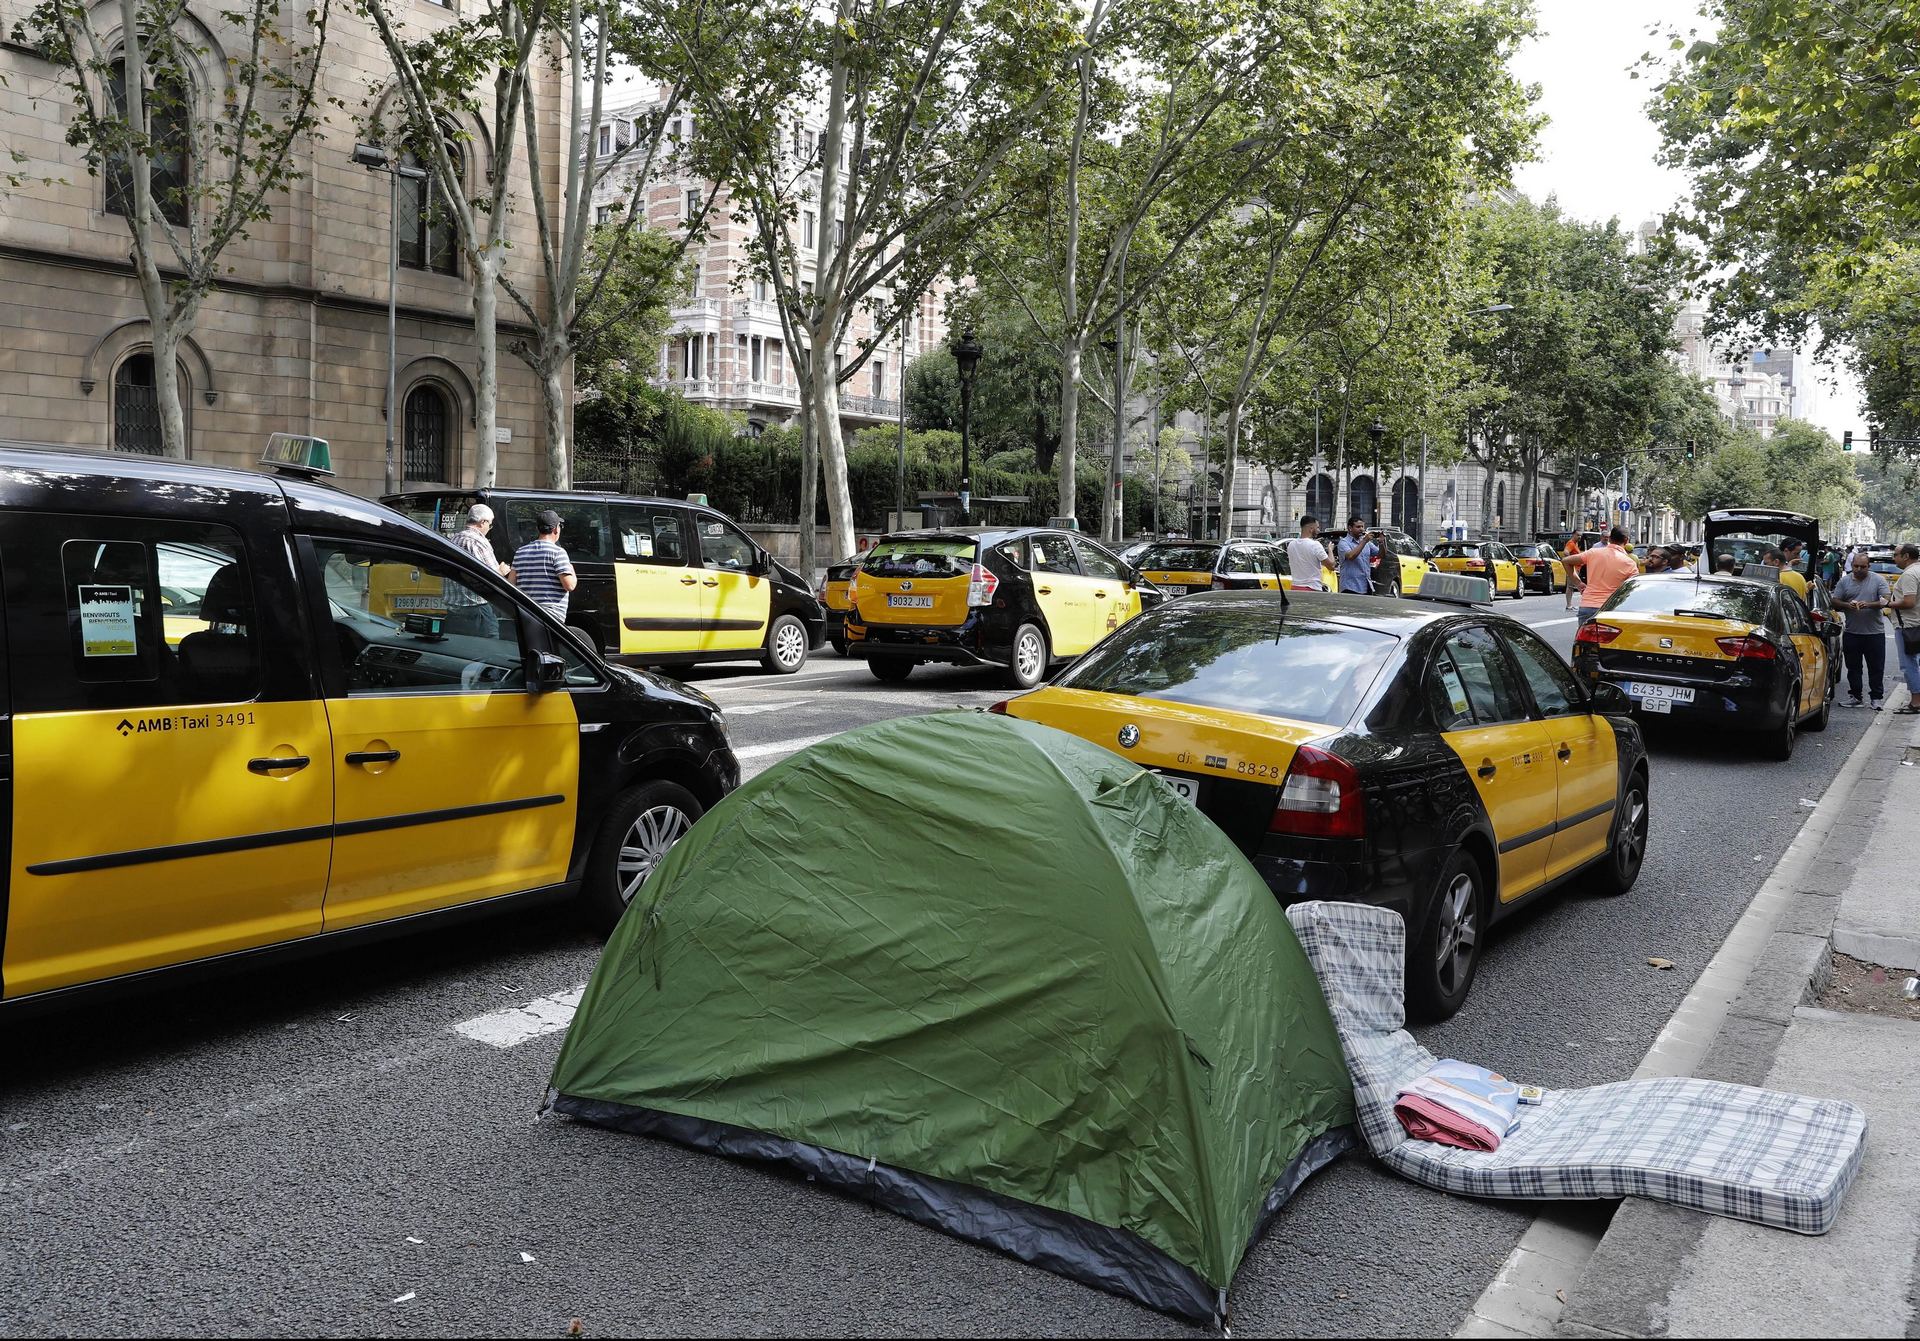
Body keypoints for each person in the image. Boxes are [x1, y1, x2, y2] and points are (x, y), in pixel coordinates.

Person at [1833, 550, 1891, 709]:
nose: (1859, 569)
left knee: (1876, 667)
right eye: (1856, 566)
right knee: (1853, 667)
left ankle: (1876, 698)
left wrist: (1869, 604)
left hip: (1874, 633)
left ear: (1868, 566)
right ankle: (1855, 696)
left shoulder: (1878, 580)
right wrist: (1847, 605)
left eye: (1863, 567)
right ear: (1851, 565)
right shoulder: (1844, 581)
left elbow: (1886, 600)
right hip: (1852, 632)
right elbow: (1835, 601)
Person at [445, 504, 511, 639]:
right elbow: (491, 578)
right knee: (490, 649)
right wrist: (502, 571)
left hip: (453, 611)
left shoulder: (454, 539)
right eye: (490, 525)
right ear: (483, 522)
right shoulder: (478, 542)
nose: (489, 528)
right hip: (476, 609)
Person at [1562, 525, 1639, 626]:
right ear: (1626, 540)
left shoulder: (1593, 553)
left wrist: (1578, 583)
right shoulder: (1630, 563)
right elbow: (1632, 591)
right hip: (1612, 608)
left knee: (1585, 640)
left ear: (1610, 539)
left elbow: (1565, 561)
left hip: (1588, 605)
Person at [512, 508, 578, 621]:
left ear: (538, 529)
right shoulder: (558, 552)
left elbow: (511, 584)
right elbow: (570, 585)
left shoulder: (520, 552)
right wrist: (572, 571)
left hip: (526, 613)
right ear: (556, 529)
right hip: (551, 616)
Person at [1890, 543, 1920, 714]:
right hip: (1915, 623)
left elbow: (1909, 602)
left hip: (1908, 625)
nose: (1894, 558)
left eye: (1896, 554)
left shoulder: (1910, 574)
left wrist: (1887, 603)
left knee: (1908, 665)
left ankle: (1916, 702)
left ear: (1906, 556)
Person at [1335, 517, 1380, 595]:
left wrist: (1382, 542)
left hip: (1365, 585)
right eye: (1358, 527)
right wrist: (1364, 541)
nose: (1361, 529)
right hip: (1350, 587)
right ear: (1350, 528)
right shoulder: (1344, 542)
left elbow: (1380, 554)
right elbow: (1351, 556)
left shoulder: (1366, 543)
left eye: (1362, 527)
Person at [1286, 515, 1329, 592]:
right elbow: (1331, 565)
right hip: (1312, 588)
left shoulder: (1291, 544)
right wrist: (1331, 550)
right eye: (1317, 527)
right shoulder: (1315, 545)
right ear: (1311, 529)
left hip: (1295, 587)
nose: (1319, 530)